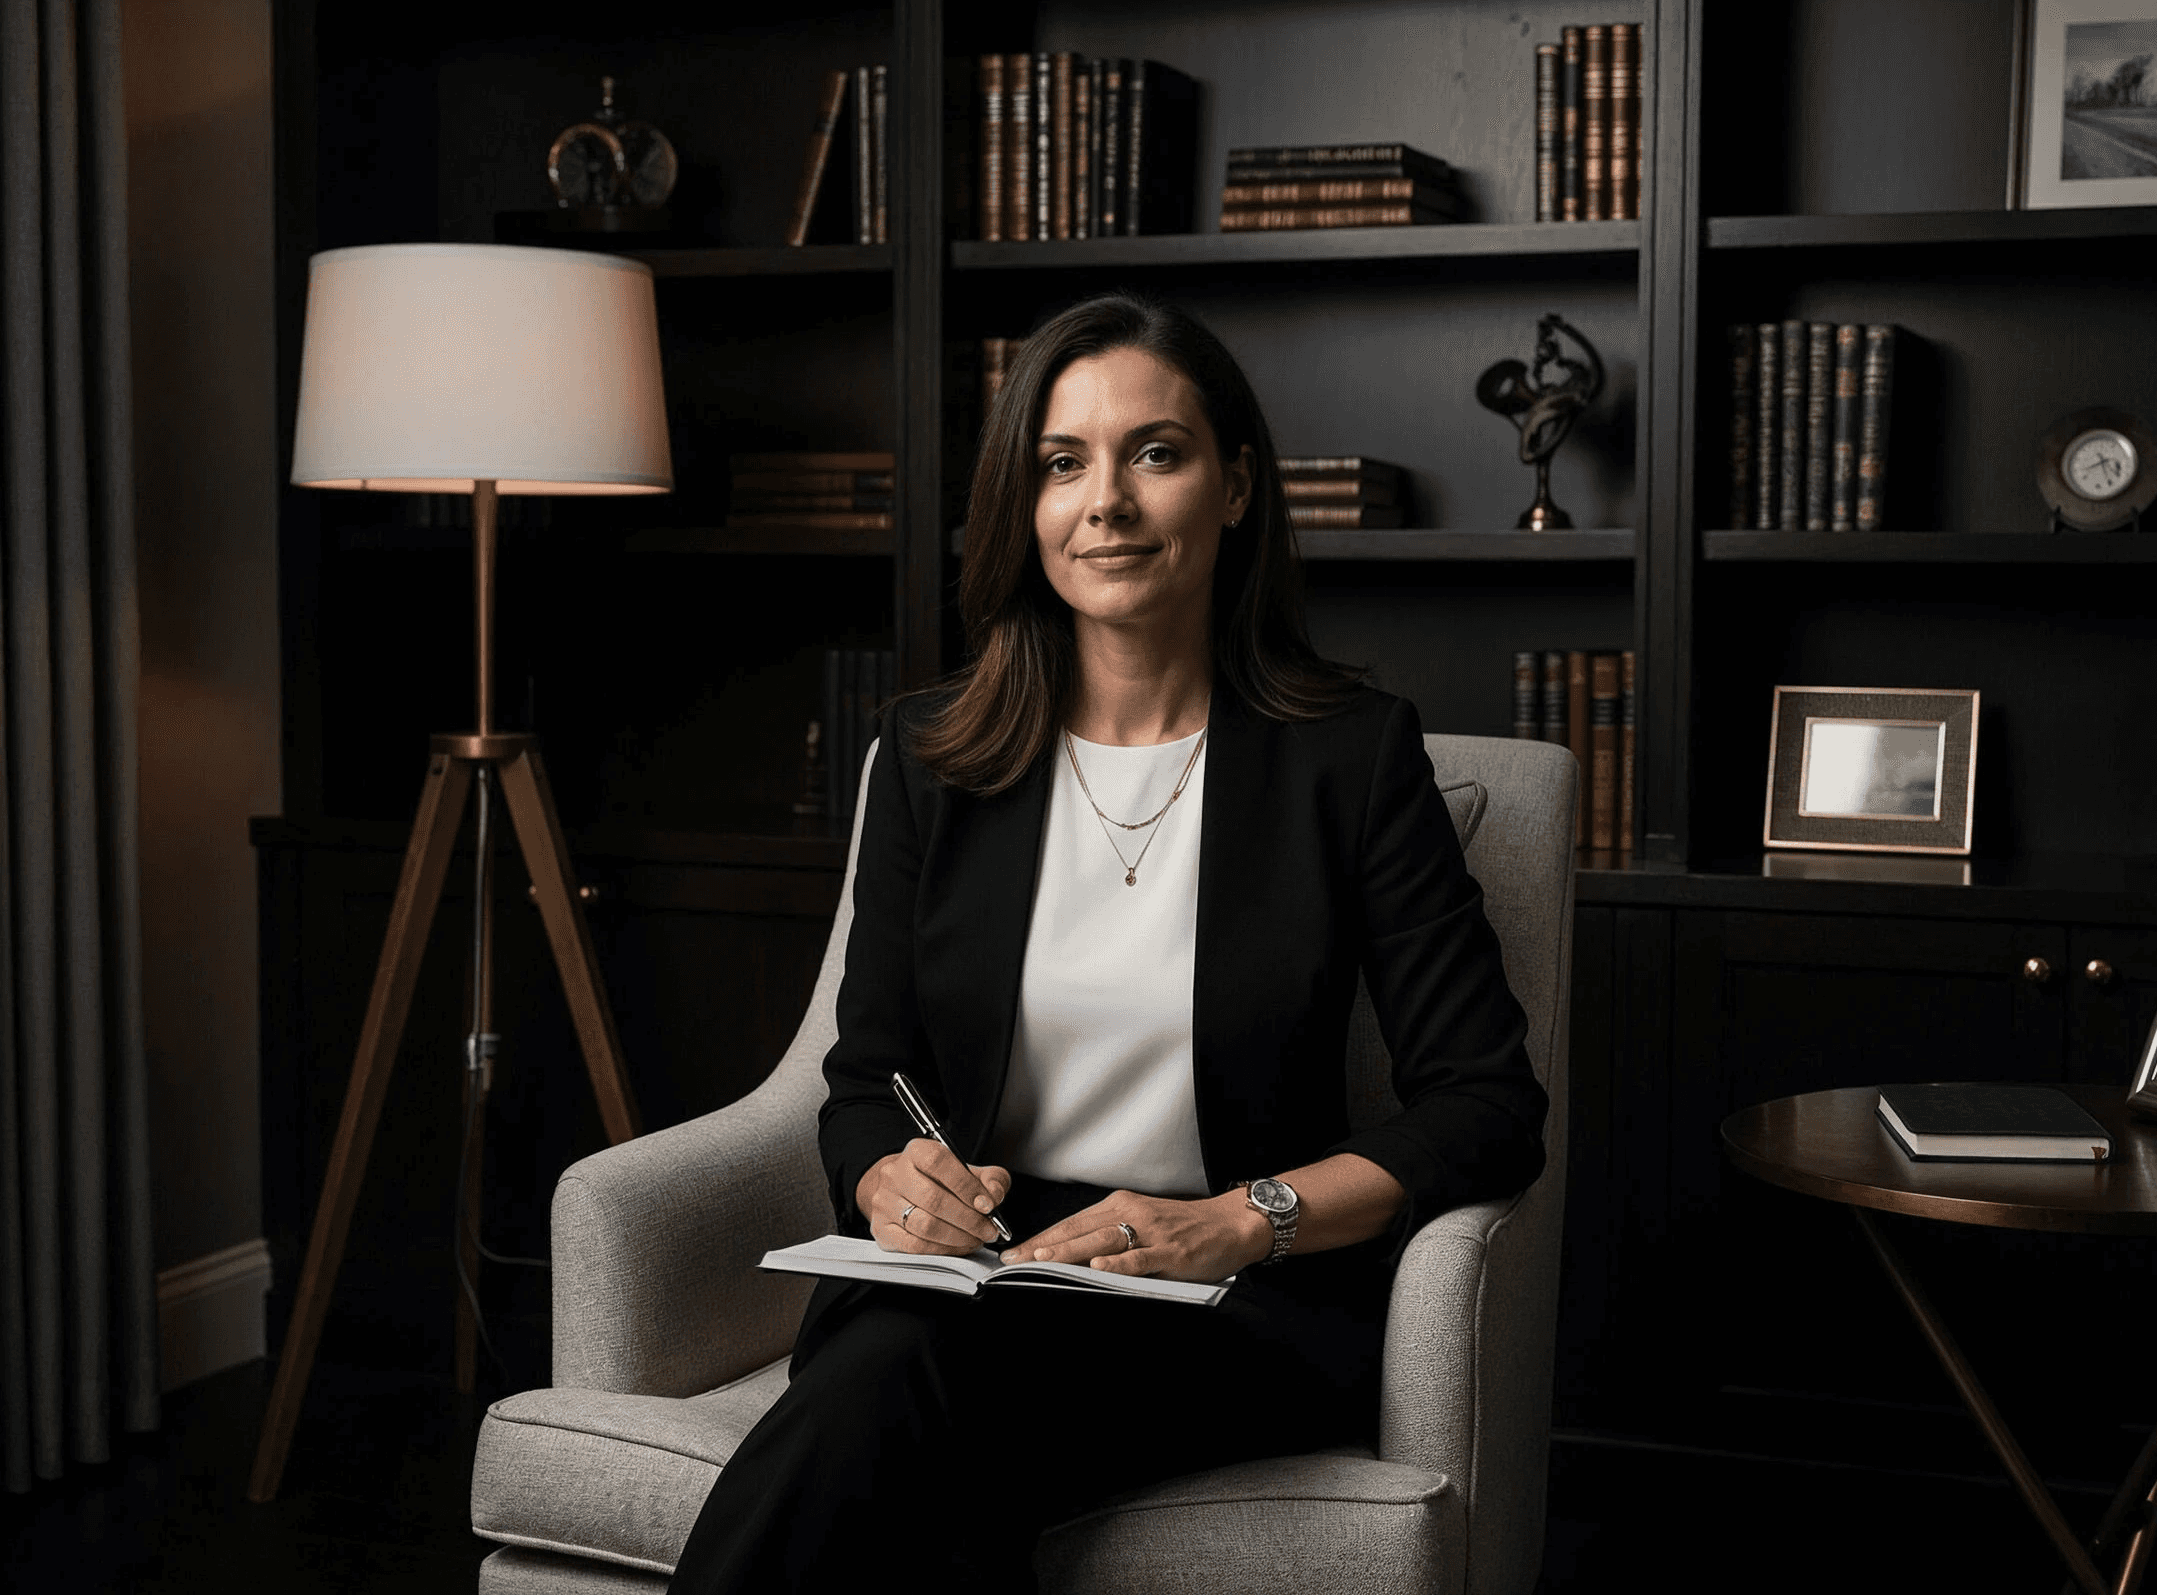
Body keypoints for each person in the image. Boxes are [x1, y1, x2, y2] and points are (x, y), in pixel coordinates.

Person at [668, 293, 1548, 1592]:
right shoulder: (929, 761)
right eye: (1062, 463)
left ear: (1234, 486)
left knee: (899, 1397)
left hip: (1226, 1296)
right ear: (1023, 506)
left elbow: (1487, 1106)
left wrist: (1240, 1220)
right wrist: (887, 1180)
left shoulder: (1350, 759)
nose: (1107, 504)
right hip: (974, 1272)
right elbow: (866, 1079)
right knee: (918, 1387)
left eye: (1156, 453)